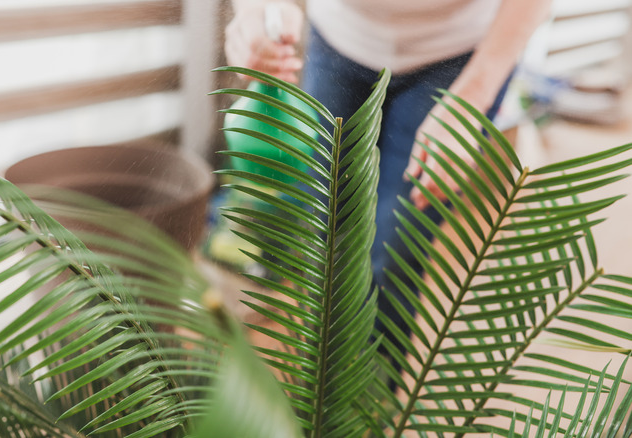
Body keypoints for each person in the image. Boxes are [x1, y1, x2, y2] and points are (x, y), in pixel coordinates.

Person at [224, 0, 552, 356]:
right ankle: (320, 379)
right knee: (326, 227)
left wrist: (474, 96)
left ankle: (373, 394)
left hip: (456, 56)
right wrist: (258, 9)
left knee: (397, 248)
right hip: (339, 37)